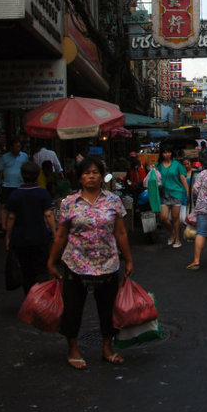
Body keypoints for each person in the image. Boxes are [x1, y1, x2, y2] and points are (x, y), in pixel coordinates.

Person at [46, 155, 133, 369]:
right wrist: (51, 261)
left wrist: (129, 259)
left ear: (102, 176)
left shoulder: (113, 200)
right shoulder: (69, 203)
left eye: (95, 172)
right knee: (73, 309)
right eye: (87, 173)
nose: (91, 176)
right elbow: (60, 235)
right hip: (75, 263)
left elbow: (120, 232)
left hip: (107, 263)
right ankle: (73, 349)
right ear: (79, 178)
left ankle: (107, 347)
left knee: (108, 309)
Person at [5, 160, 56, 294]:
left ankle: (29, 296)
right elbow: (48, 214)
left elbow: (11, 217)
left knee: (26, 269)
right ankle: (40, 296)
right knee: (41, 268)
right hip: (40, 237)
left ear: (22, 175)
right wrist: (55, 233)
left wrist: (7, 236)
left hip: (20, 238)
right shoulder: (43, 193)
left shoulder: (15, 194)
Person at [155, 146, 189, 248]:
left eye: (169, 152)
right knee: (163, 217)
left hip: (176, 193)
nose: (167, 154)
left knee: (175, 218)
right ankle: (172, 232)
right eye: (165, 152)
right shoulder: (158, 165)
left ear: (171, 153)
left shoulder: (177, 165)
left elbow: (183, 178)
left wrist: (187, 192)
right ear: (161, 154)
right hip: (164, 194)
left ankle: (177, 239)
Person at [0, 138, 29, 232]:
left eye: (19, 146)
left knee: (20, 205)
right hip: (7, 184)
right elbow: (1, 171)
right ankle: (3, 226)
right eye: (16, 146)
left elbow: (26, 168)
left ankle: (20, 224)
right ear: (11, 147)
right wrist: (0, 183)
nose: (18, 148)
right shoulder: (4, 157)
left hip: (20, 184)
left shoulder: (24, 156)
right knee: (5, 205)